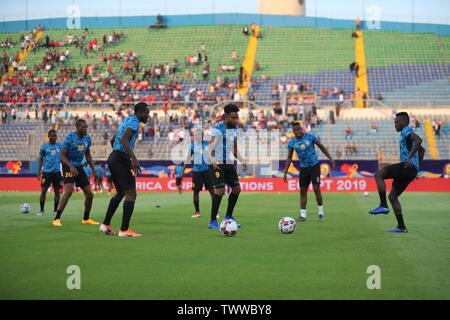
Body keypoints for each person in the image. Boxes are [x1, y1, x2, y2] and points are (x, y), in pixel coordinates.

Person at [369, 112, 426, 233]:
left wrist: (410, 157)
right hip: (411, 170)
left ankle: (383, 205)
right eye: (394, 122)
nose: (395, 124)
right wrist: (417, 168)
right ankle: (401, 227)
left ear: (405, 122)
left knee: (378, 174)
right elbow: (422, 150)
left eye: (397, 122)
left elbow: (419, 140)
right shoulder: (405, 134)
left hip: (407, 167)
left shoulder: (406, 130)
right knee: (393, 196)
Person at [100, 102, 150, 237]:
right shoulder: (135, 122)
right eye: (146, 113)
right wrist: (133, 158)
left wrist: (117, 155)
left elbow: (113, 140)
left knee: (121, 192)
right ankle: (124, 229)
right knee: (131, 193)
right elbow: (123, 139)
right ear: (140, 112)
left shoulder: (127, 120)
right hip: (121, 158)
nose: (148, 116)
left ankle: (105, 224)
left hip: (114, 157)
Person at [206, 103, 248, 229]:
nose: (236, 121)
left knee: (236, 189)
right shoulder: (218, 129)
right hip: (217, 163)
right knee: (220, 190)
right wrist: (213, 160)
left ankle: (228, 216)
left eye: (237, 118)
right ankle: (212, 221)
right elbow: (209, 148)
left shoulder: (234, 130)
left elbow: (234, 148)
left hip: (228, 163)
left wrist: (242, 160)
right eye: (233, 118)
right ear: (226, 117)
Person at [283, 123, 335, 222]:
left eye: (298, 129)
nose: (297, 132)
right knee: (303, 191)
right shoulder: (292, 142)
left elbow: (321, 146)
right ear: (293, 132)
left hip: (314, 166)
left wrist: (330, 158)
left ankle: (321, 213)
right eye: (295, 130)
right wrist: (285, 173)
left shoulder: (310, 137)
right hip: (303, 168)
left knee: (316, 189)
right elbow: (289, 158)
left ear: (302, 129)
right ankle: (303, 215)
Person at [53, 119, 99, 227]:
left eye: (86, 127)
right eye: (83, 127)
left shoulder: (87, 138)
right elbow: (62, 156)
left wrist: (93, 169)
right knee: (68, 191)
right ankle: (57, 218)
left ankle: (86, 218)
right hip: (68, 166)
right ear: (78, 128)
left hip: (78, 166)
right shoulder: (69, 138)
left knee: (90, 194)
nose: (85, 129)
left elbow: (88, 155)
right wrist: (71, 166)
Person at [185, 128, 215, 218]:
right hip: (197, 172)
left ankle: (215, 212)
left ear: (203, 136)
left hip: (207, 171)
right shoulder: (192, 146)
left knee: (212, 191)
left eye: (200, 135)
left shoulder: (207, 144)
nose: (199, 136)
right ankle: (197, 212)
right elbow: (188, 158)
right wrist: (183, 171)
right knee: (195, 192)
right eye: (197, 135)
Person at [36, 130, 63, 216]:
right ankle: (41, 210)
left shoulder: (60, 146)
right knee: (43, 191)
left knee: (57, 191)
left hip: (57, 172)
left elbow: (64, 157)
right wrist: (39, 171)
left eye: (55, 136)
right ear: (48, 136)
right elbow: (40, 159)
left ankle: (55, 210)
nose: (54, 137)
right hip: (46, 172)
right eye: (52, 136)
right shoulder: (44, 147)